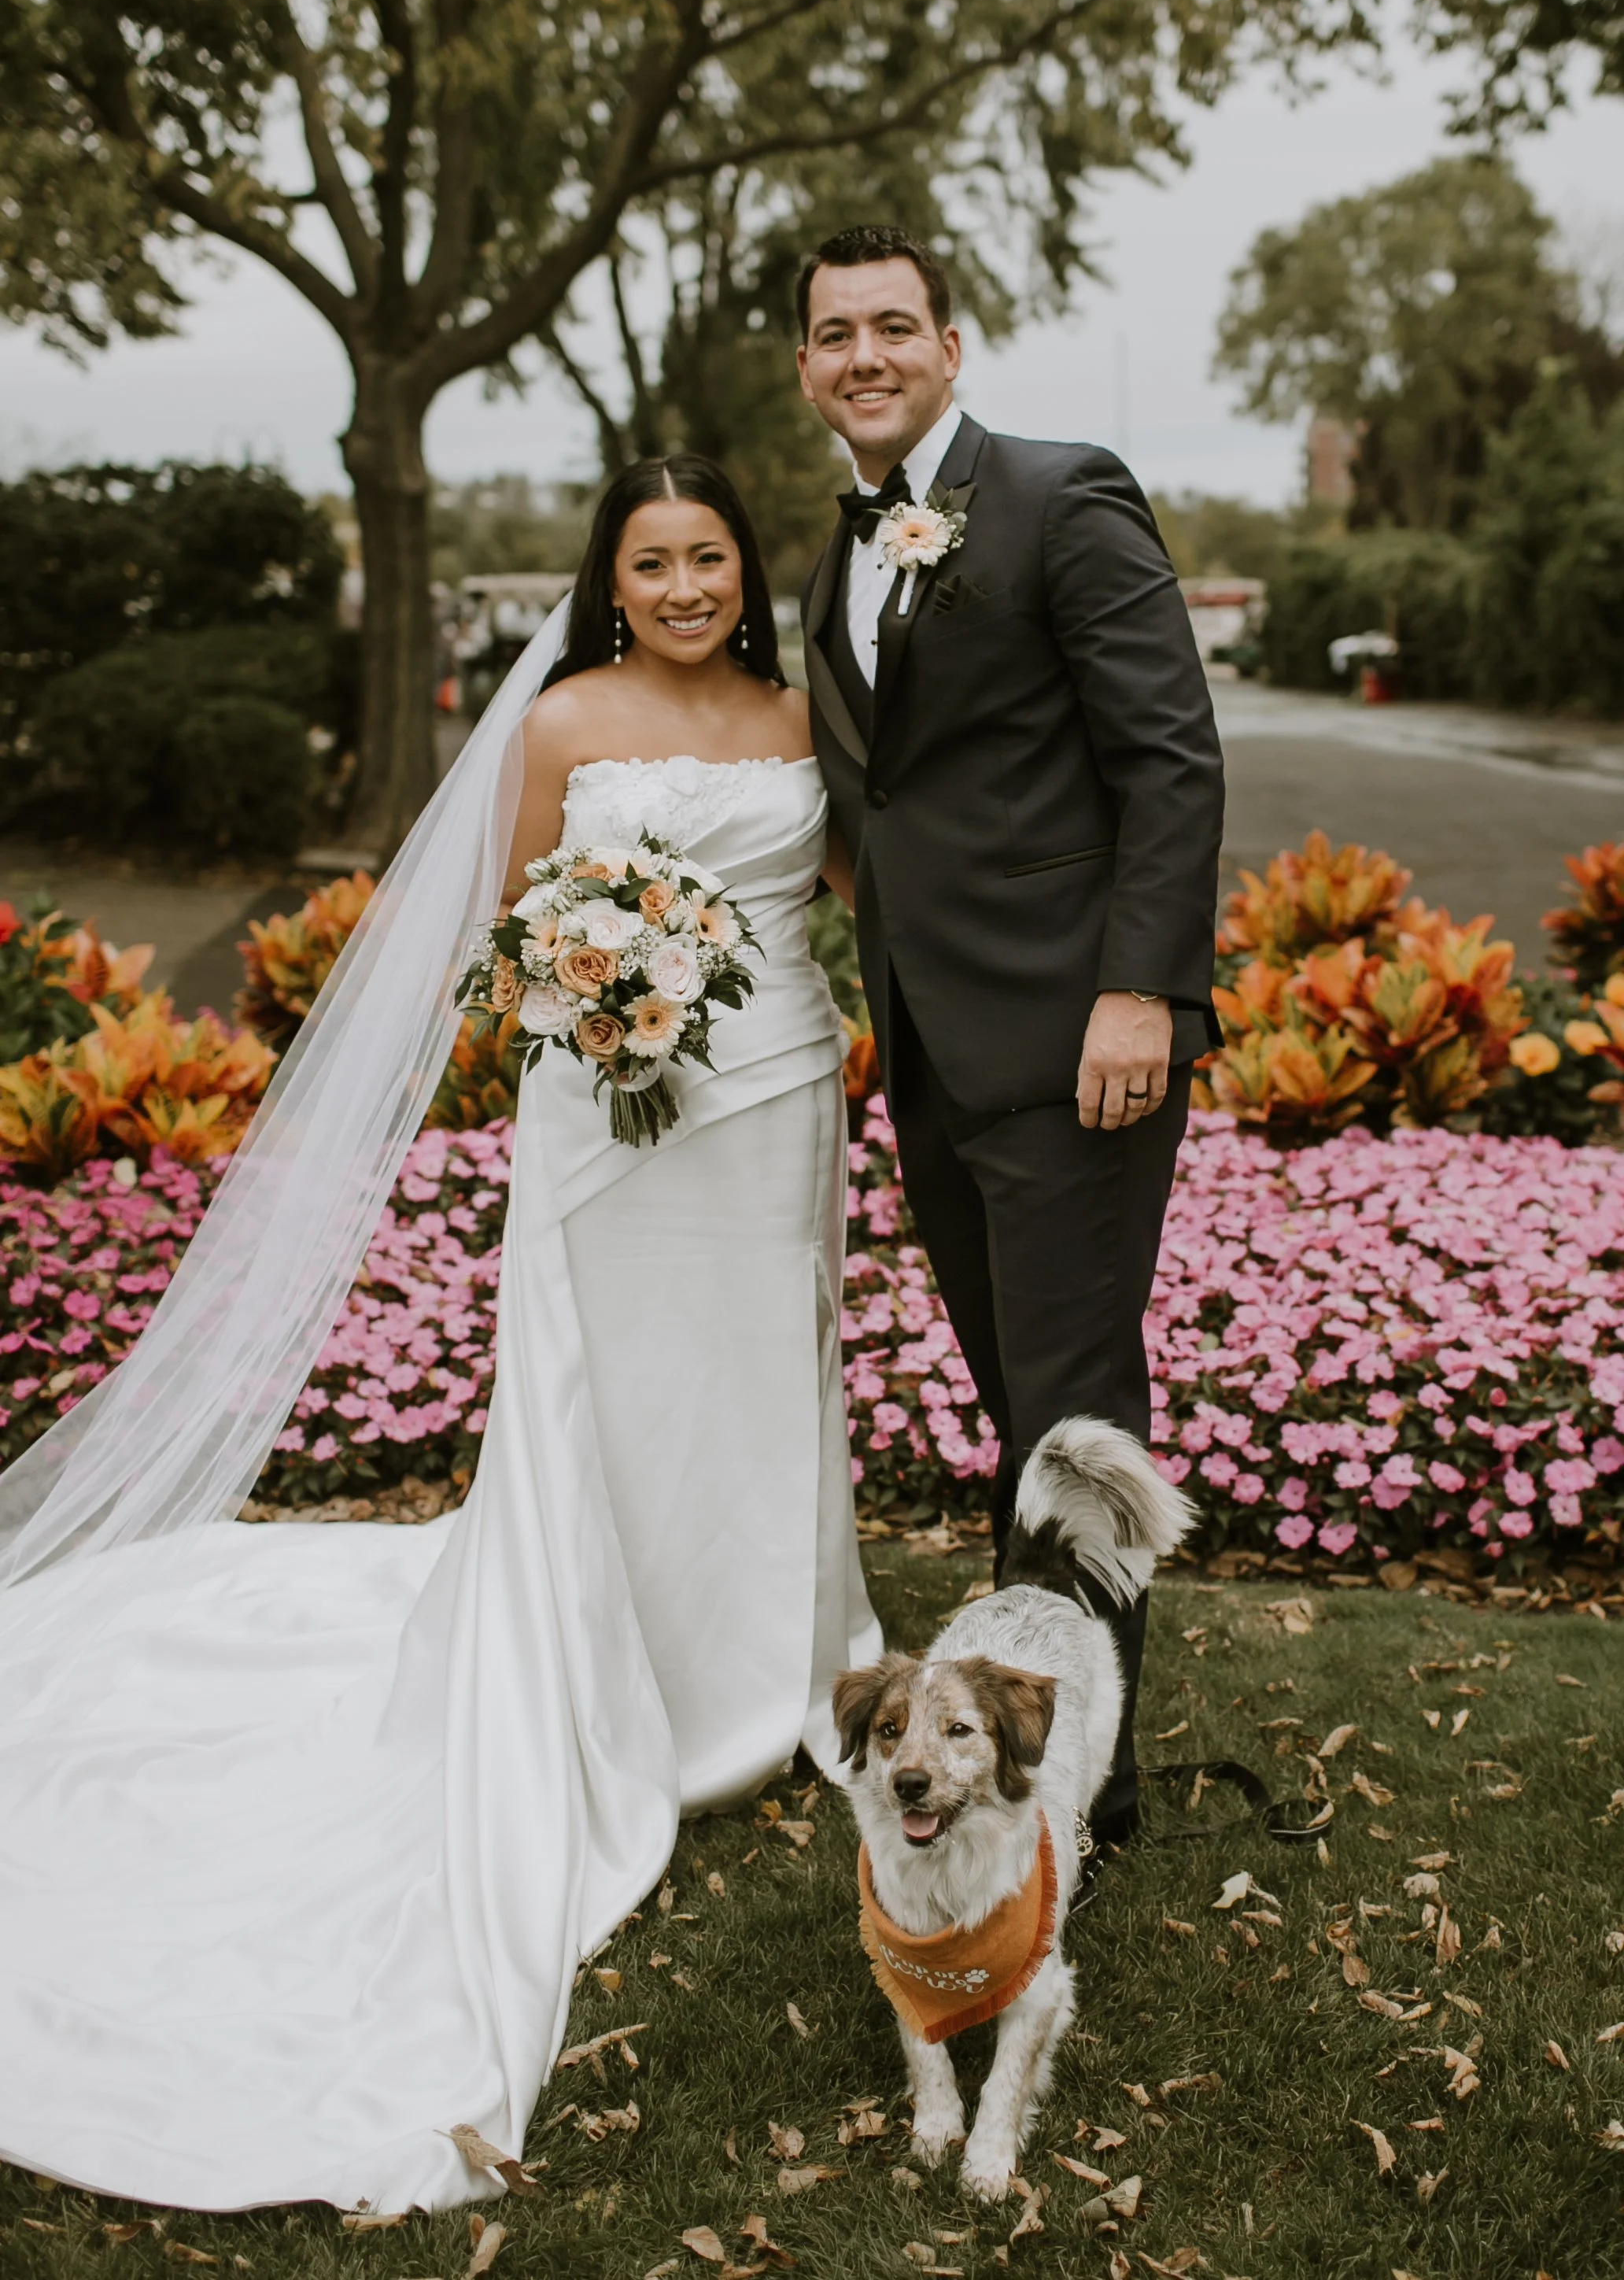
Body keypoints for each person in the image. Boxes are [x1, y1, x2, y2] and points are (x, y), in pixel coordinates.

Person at [0, 453, 879, 2214]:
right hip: (607, 1114)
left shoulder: (805, 720)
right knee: (608, 1392)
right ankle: (603, 1669)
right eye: (655, 561)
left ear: (744, 574)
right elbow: (506, 927)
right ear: (609, 580)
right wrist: (605, 991)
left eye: (711, 556)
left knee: (757, 1388)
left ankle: (768, 1664)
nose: (688, 584)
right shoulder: (560, 720)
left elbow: (853, 896)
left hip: (773, 1093)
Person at [796, 224, 1224, 1846]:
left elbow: (1170, 755)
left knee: (1077, 1429)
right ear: (807, 367)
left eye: (893, 325)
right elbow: (886, 791)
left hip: (1073, 1038)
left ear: (951, 345)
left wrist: (1140, 990)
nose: (865, 356)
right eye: (835, 334)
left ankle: (1069, 1810)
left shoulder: (1061, 492)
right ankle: (1032, 1743)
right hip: (934, 1039)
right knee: (1026, 1413)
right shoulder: (830, 553)